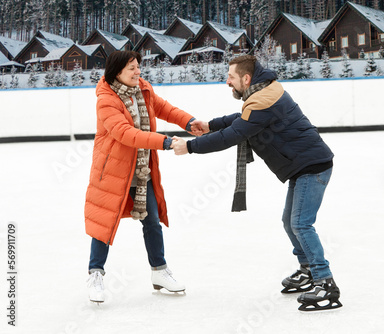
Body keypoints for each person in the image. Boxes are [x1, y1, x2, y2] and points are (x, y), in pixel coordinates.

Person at [170, 55, 342, 311]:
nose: (227, 82)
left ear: (246, 79)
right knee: (290, 222)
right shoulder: (262, 93)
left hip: (312, 166)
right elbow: (241, 118)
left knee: (300, 224)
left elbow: (234, 134)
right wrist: (209, 125)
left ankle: (325, 282)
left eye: (231, 77)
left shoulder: (263, 101)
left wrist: (191, 146)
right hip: (304, 166)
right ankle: (307, 270)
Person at [84, 51, 199, 303]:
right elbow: (126, 134)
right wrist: (165, 142)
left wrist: (189, 122)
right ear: (117, 74)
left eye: (138, 66)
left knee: (152, 222)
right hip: (112, 172)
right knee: (104, 225)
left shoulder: (142, 89)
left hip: (140, 170)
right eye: (132, 69)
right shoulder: (106, 100)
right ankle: (95, 274)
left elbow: (163, 108)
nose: (138, 72)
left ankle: (159, 270)